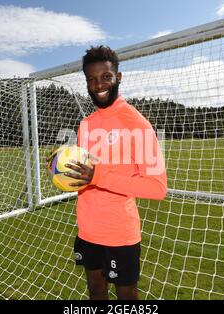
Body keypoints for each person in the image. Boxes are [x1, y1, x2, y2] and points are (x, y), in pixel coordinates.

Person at [64, 45, 167, 300]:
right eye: (92, 79)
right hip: (87, 228)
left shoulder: (138, 124)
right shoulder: (85, 125)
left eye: (106, 77)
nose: (99, 85)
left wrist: (98, 177)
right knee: (95, 289)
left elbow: (157, 188)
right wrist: (62, 169)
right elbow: (84, 175)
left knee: (126, 296)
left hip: (119, 232)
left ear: (118, 77)